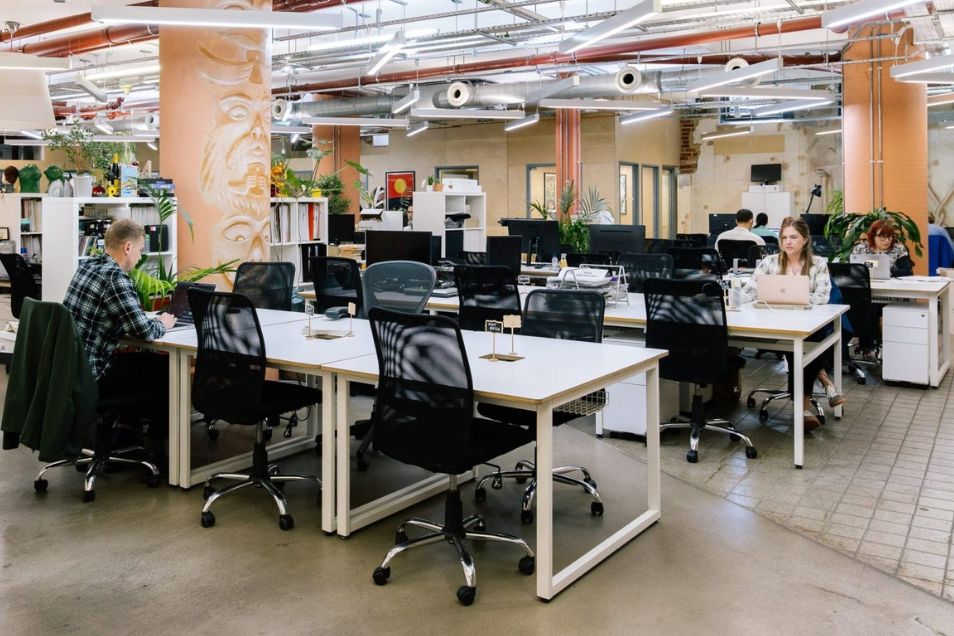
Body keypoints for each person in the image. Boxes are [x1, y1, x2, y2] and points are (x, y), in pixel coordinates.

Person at [64, 219, 177, 455]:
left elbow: (110, 313)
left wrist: (137, 317)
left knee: (138, 365)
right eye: (139, 251)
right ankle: (157, 445)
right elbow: (145, 332)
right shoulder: (116, 278)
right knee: (166, 369)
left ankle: (126, 431)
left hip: (71, 370)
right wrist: (162, 322)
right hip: (94, 375)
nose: (139, 258)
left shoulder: (87, 266)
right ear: (127, 247)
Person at [740, 216, 842, 431]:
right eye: (784, 237)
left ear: (804, 239)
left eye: (793, 237)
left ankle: (803, 410)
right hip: (773, 322)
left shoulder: (818, 263)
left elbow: (823, 296)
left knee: (804, 349)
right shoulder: (769, 262)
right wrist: (734, 299)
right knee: (801, 352)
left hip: (808, 323)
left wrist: (795, 300)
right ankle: (822, 387)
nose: (788, 241)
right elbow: (750, 290)